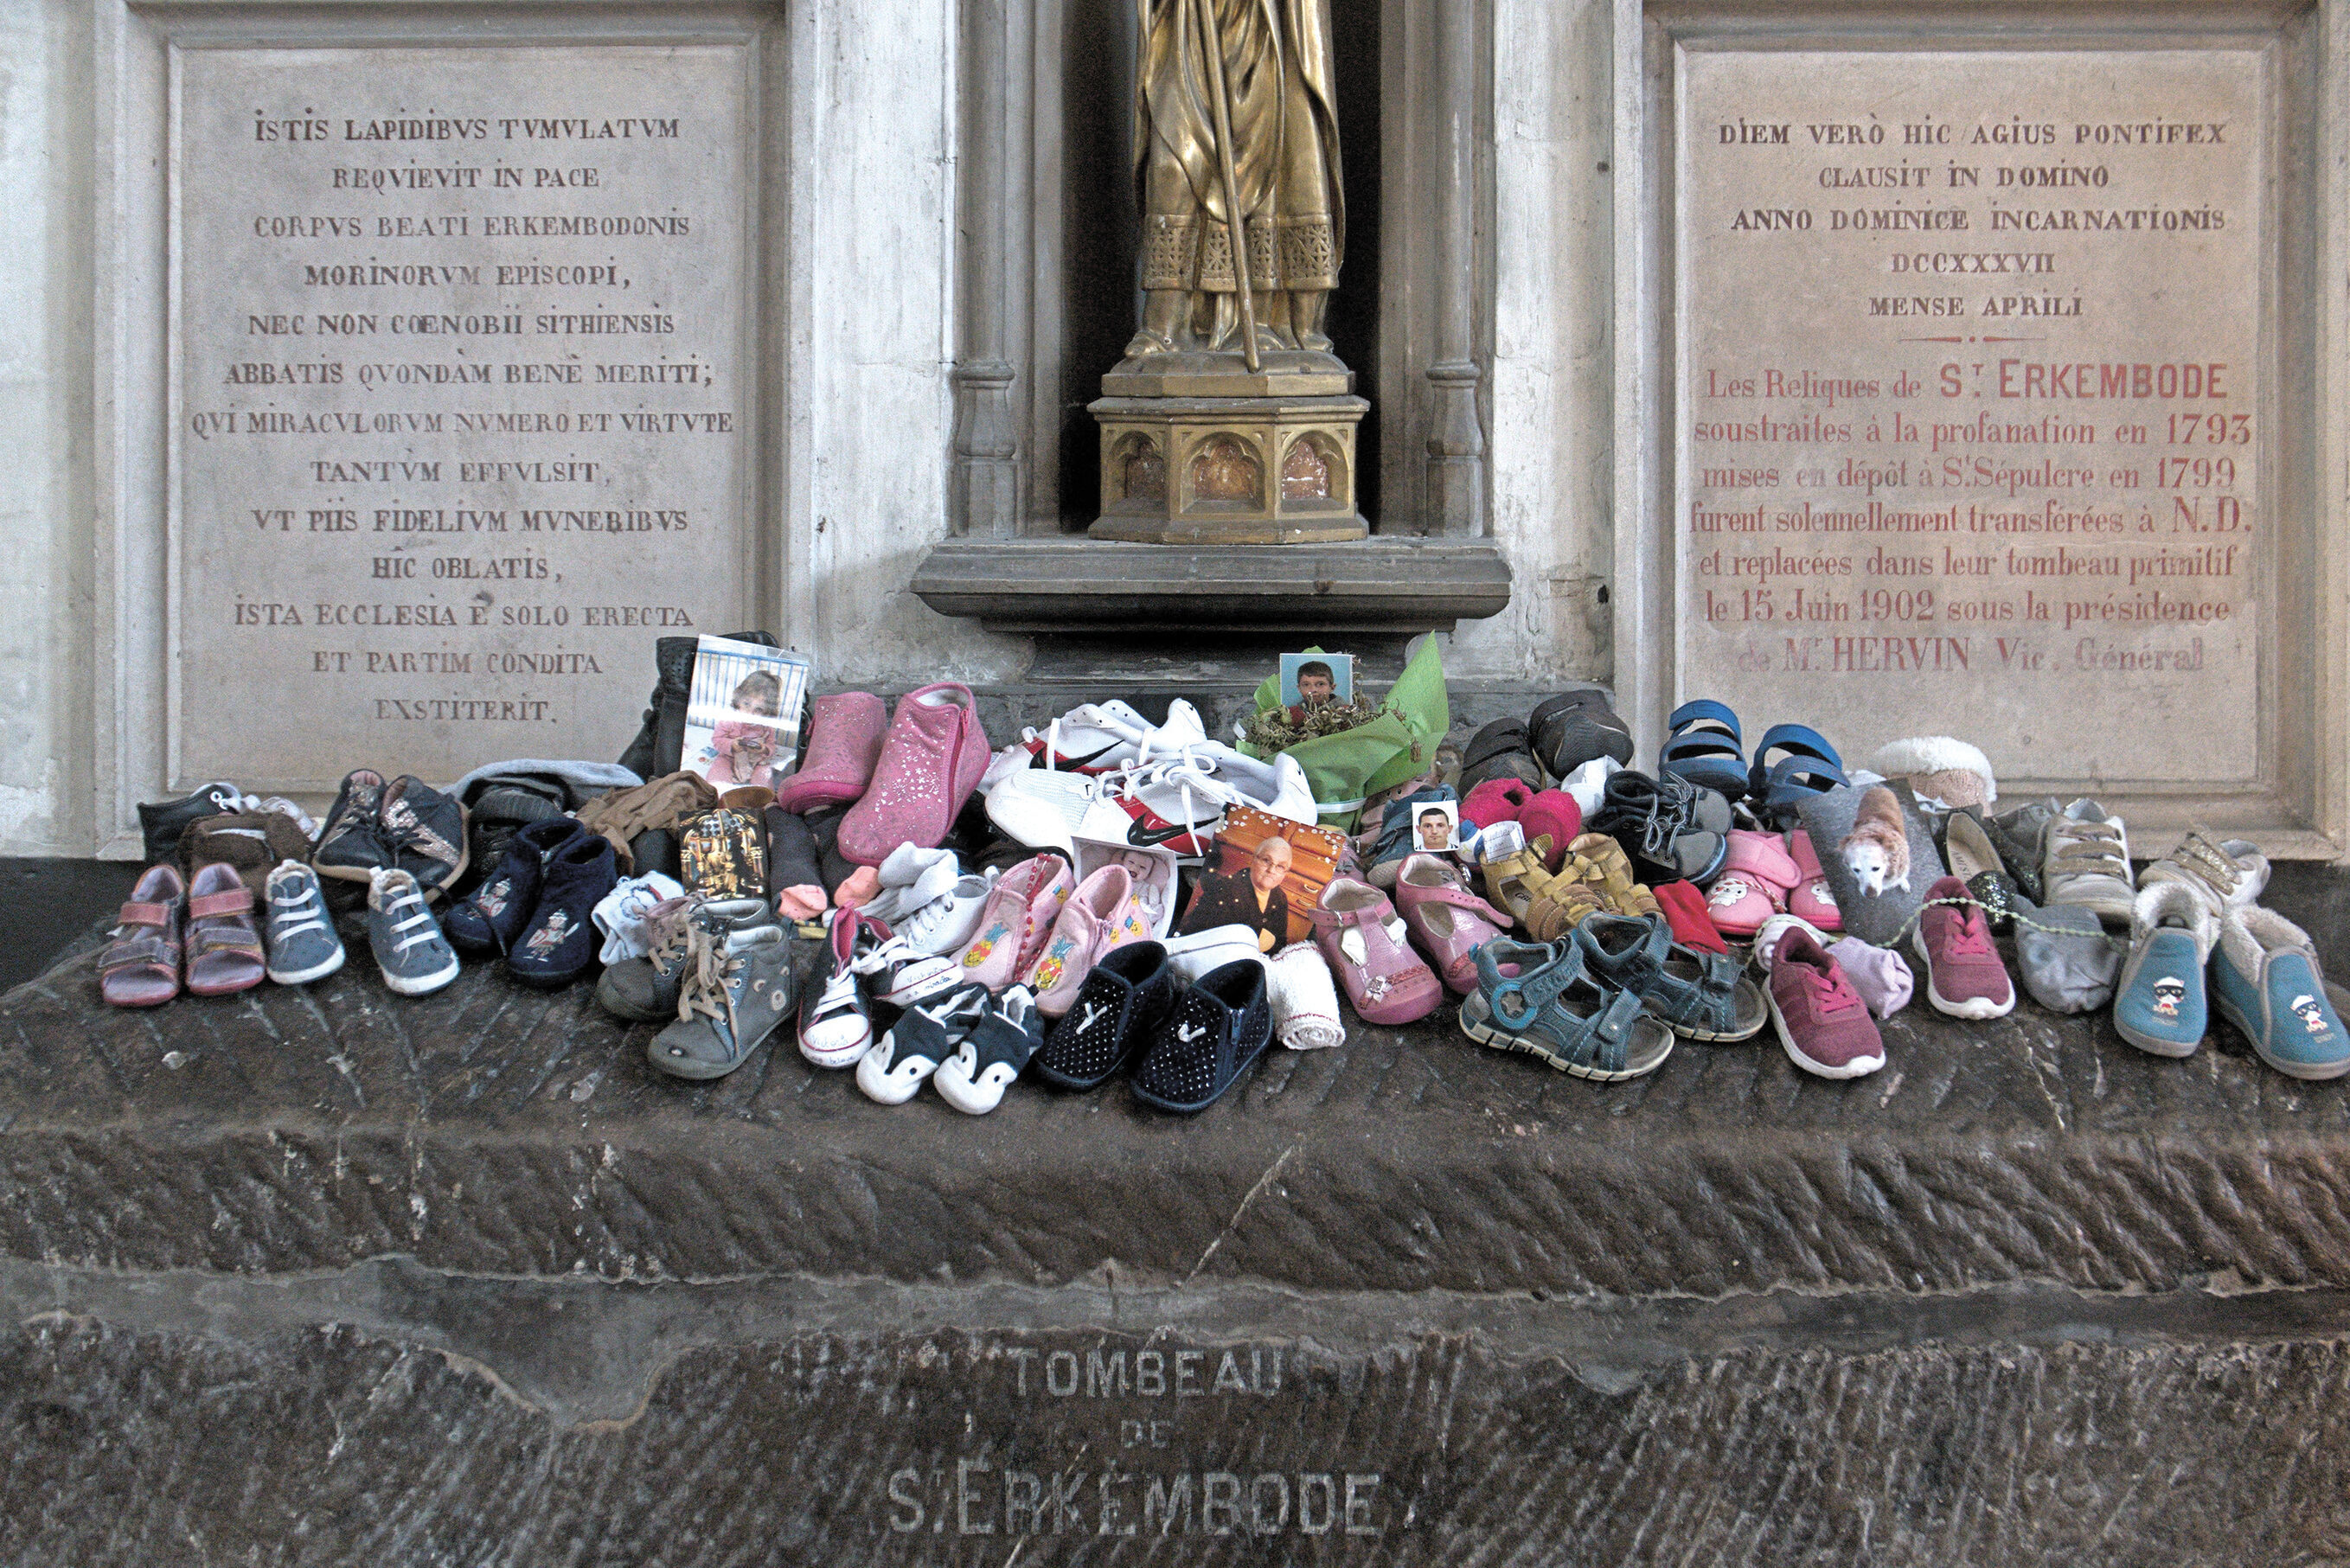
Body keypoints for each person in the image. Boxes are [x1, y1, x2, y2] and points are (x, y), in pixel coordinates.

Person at [1182, 835, 1293, 952]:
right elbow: (1208, 940)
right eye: (1266, 860)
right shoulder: (1226, 889)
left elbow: (1280, 941)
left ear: (1285, 873)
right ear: (1254, 859)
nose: (1271, 870)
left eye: (1280, 866)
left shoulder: (1280, 897)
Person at [701, 669, 783, 789]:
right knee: (716, 777)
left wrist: (764, 749)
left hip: (756, 761)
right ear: (738, 700)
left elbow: (771, 745)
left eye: (759, 709)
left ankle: (763, 801)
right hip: (728, 758)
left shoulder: (766, 726)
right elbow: (717, 740)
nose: (750, 712)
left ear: (767, 711)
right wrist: (732, 745)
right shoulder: (729, 720)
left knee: (764, 780)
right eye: (746, 704)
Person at [1285, 660, 1339, 725]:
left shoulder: (1346, 712)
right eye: (1306, 685)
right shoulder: (1290, 715)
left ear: (1332, 687)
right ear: (1299, 688)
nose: (1313, 690)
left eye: (1321, 684)